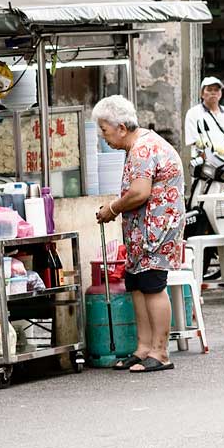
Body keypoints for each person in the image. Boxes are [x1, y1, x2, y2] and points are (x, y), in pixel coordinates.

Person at [92, 95, 185, 374]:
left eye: (105, 130)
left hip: (156, 231)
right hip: (140, 231)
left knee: (153, 286)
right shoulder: (137, 146)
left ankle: (160, 351)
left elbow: (140, 193)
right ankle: (143, 349)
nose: (103, 137)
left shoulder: (143, 148)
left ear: (121, 127)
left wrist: (111, 208)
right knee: (136, 285)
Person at [183, 76, 224, 164]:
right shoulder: (193, 113)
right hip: (204, 162)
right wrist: (215, 148)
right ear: (202, 94)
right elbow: (194, 140)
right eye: (209, 90)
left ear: (220, 94)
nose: (213, 93)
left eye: (216, 90)